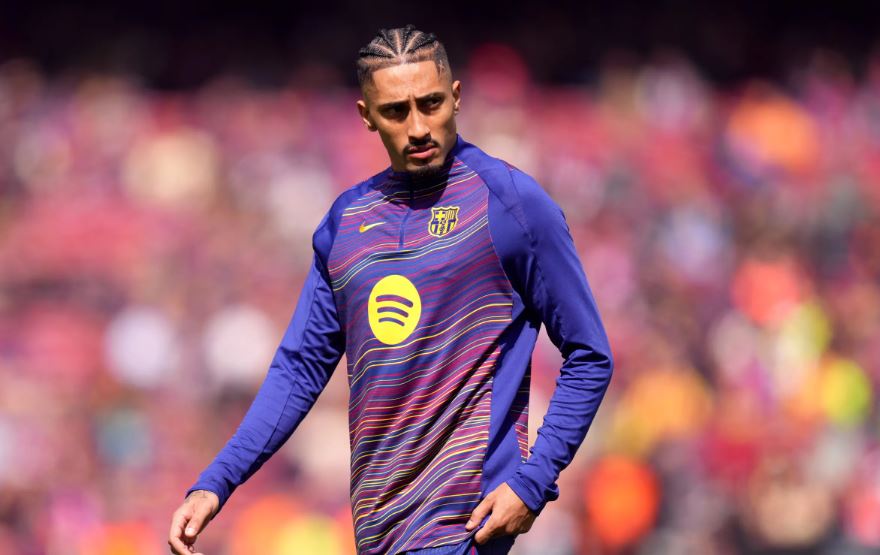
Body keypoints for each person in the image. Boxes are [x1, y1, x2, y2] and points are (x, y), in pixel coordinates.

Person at [168, 24, 613, 555]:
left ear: (456, 97)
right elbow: (301, 368)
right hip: (378, 531)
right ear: (366, 116)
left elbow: (590, 354)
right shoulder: (346, 222)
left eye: (431, 104)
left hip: (464, 524)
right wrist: (216, 482)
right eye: (396, 112)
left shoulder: (511, 205)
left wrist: (532, 482)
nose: (418, 127)